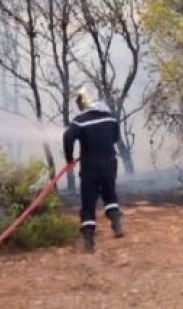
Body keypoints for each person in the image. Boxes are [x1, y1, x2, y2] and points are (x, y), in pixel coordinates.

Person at [63, 88, 125, 253]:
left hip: (90, 167)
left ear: (84, 103)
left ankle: (89, 243)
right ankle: (117, 225)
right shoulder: (110, 118)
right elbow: (116, 138)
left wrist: (69, 159)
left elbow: (68, 137)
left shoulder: (80, 120)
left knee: (88, 203)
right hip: (109, 164)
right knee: (110, 194)